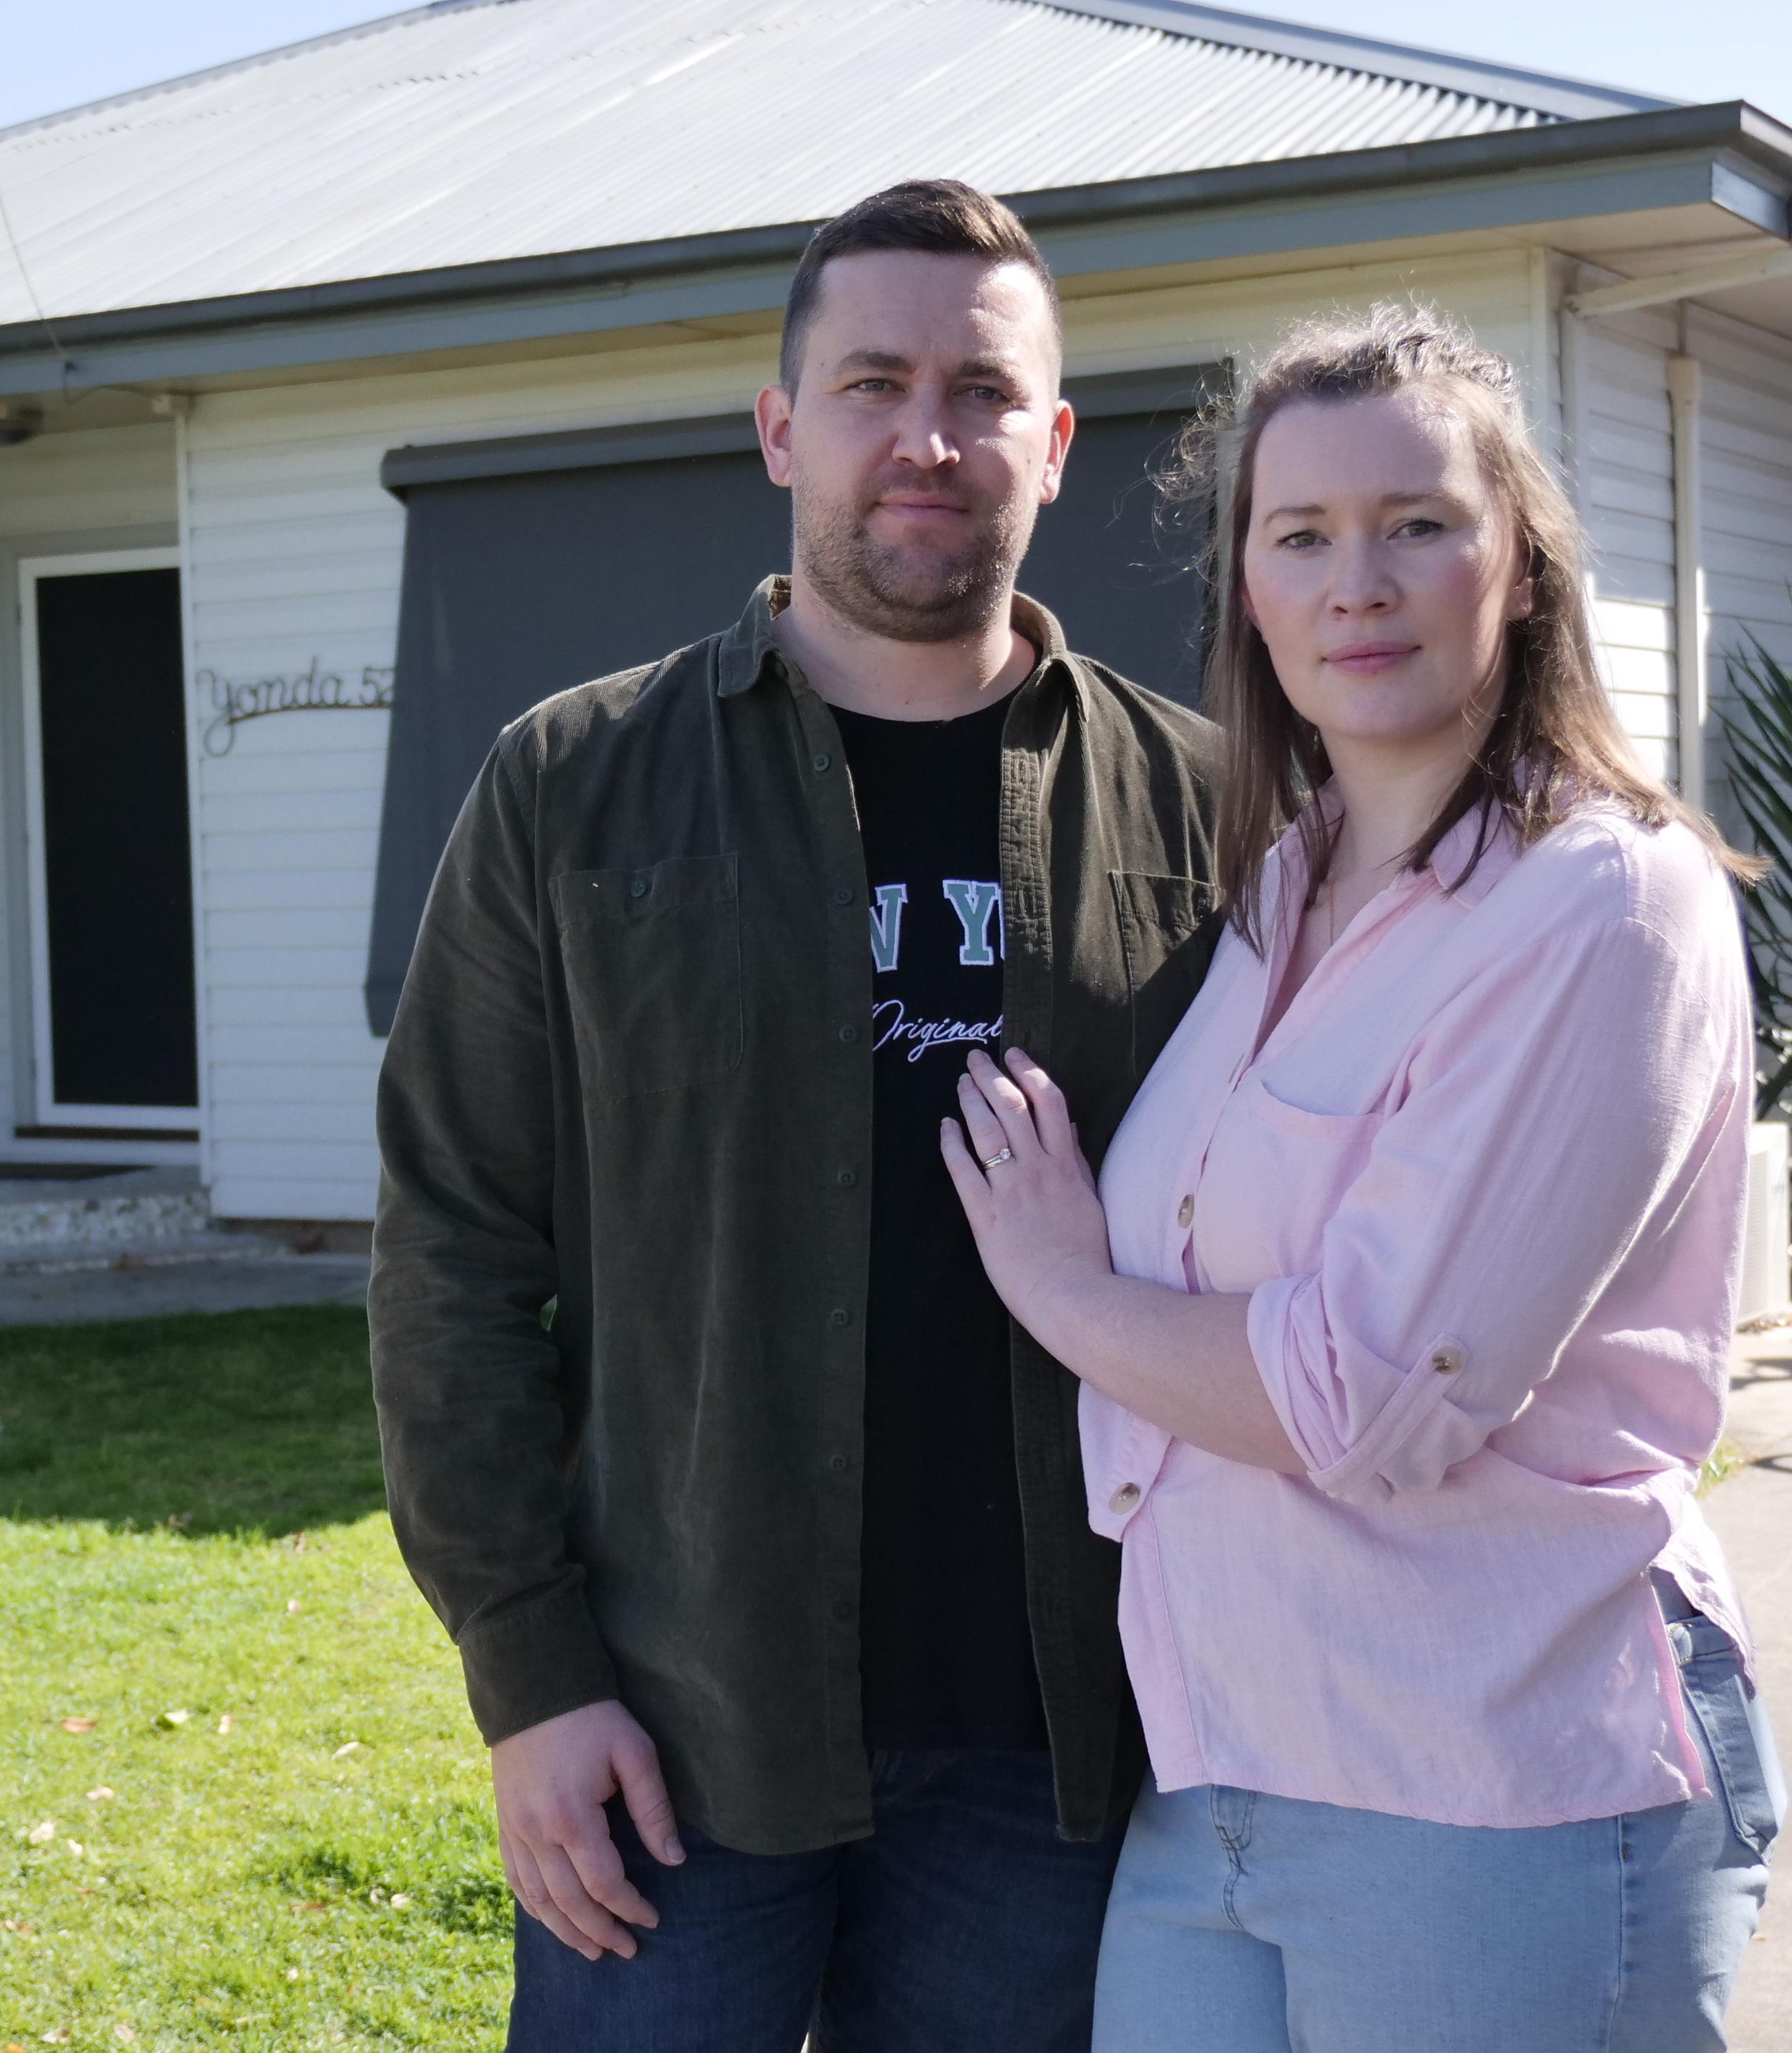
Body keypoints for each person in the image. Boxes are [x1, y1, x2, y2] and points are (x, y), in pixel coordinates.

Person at [370, 179, 1221, 2052]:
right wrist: (528, 1682)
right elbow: (450, 1252)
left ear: (1057, 444)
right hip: (674, 1742)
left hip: (1059, 1751)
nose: (925, 439)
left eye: (982, 392)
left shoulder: (1203, 812)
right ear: (779, 429)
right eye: (868, 384)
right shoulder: (572, 788)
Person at [940, 304, 1783, 2052]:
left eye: (1418, 524)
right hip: (1219, 1770)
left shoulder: (1600, 903)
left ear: (1522, 566)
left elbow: (1374, 1390)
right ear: (1247, 587)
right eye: (1301, 535)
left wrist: (1056, 1286)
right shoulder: (1271, 893)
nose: (1359, 582)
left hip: (1493, 1781)